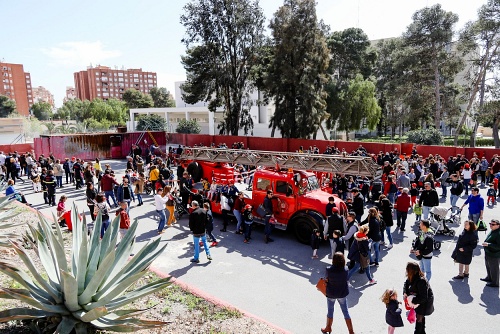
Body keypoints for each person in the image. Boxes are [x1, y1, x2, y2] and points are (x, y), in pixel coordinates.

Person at [321, 252, 354, 334]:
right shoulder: (346, 269)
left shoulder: (328, 269)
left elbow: (326, 279)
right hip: (342, 293)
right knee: (346, 312)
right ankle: (351, 331)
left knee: (330, 311)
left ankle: (328, 327)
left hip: (331, 293)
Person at [403, 262, 434, 334]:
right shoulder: (412, 276)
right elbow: (406, 283)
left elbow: (423, 297)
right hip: (419, 301)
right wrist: (405, 292)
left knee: (419, 320)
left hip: (423, 303)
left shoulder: (421, 281)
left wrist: (412, 300)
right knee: (420, 320)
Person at [481, 218, 500, 287]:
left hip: (494, 254)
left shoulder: (498, 234)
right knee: (488, 266)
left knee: (494, 269)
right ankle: (489, 277)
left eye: (493, 224)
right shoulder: (493, 230)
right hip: (488, 252)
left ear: (498, 225)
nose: (491, 225)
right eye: (490, 224)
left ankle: (495, 283)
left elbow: (498, 246)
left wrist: (488, 244)